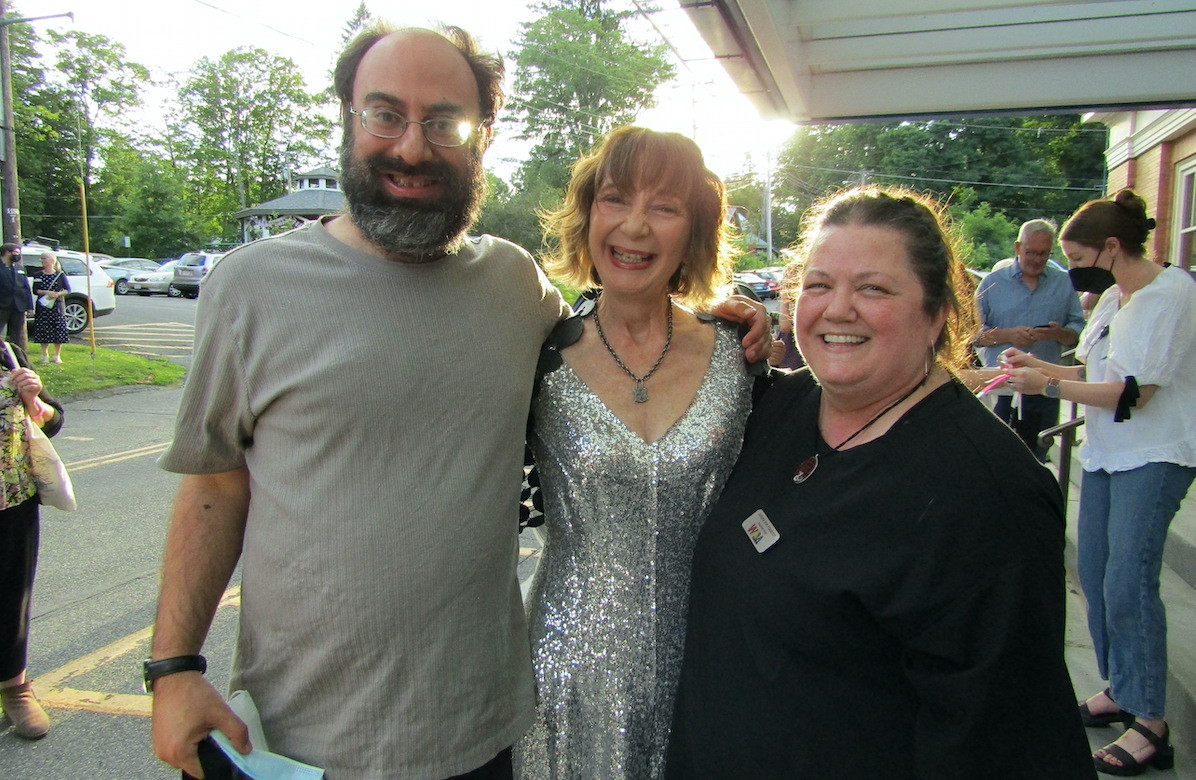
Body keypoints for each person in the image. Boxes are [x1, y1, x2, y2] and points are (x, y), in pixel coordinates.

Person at [147, 26, 771, 780]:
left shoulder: (514, 289)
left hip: (487, 736)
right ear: (348, 116)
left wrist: (740, 321)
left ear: (483, 138)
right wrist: (175, 668)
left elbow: (627, 326)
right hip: (299, 742)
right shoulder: (250, 287)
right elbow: (214, 487)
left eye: (443, 121)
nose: (412, 147)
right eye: (385, 114)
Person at [666, 187, 1094, 778]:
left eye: (873, 288)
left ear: (938, 310)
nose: (838, 309)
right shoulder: (771, 411)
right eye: (818, 285)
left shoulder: (988, 493)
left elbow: (1002, 739)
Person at [512, 127, 756, 779]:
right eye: (616, 199)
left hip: (710, 667)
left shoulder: (743, 359)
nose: (636, 227)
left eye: (665, 207)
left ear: (694, 231)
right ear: (589, 216)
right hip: (564, 674)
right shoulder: (535, 356)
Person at [1003, 189, 1196, 776]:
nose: (1073, 269)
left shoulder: (1173, 295)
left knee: (1128, 582)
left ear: (1112, 246)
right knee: (1094, 572)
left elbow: (1136, 392)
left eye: (1078, 255)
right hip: (1108, 454)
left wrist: (1050, 390)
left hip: (1154, 454)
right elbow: (1093, 370)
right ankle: (1121, 686)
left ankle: (1151, 724)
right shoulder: (1115, 295)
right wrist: (1036, 367)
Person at [974, 219, 1085, 460]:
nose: (1036, 260)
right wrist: (1008, 334)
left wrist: (1059, 333)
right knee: (997, 456)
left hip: (1045, 386)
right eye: (1030, 252)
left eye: (1043, 254)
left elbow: (1078, 329)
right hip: (1001, 387)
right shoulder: (992, 282)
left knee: (1037, 456)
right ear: (1017, 248)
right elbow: (974, 335)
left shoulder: (1063, 282)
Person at [0, 341, 65, 740]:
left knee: (11, 595)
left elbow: (53, 420)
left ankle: (14, 688)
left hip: (10, 501)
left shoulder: (6, 353)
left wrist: (34, 399)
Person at [30, 253, 71, 364]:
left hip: (57, 306)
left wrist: (57, 294)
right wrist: (46, 292)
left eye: (44, 258)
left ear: (52, 260)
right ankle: (44, 354)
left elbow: (68, 289)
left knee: (58, 328)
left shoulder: (60, 275)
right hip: (43, 306)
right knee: (43, 329)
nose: (42, 260)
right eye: (41, 258)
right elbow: (35, 290)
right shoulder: (38, 275)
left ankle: (56, 355)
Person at [0, 243, 33, 355]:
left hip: (18, 307)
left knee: (16, 336)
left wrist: (29, 307)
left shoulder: (20, 268)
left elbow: (26, 288)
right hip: (2, 306)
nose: (18, 255)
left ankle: (16, 360)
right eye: (16, 253)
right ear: (7, 252)